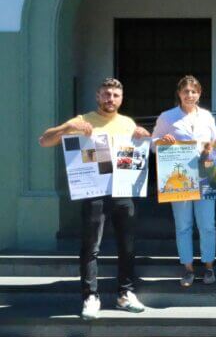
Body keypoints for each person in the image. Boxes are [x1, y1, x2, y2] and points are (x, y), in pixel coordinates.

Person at [38, 77, 149, 320]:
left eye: (115, 95)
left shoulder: (127, 123)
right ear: (98, 96)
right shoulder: (82, 120)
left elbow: (141, 154)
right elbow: (44, 140)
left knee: (127, 246)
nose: (111, 99)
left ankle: (125, 294)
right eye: (106, 94)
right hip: (94, 192)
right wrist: (68, 129)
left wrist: (143, 135)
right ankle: (90, 296)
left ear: (121, 98)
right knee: (91, 247)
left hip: (123, 191)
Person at [152, 75, 216, 287]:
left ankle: (209, 266)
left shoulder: (206, 116)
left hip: (204, 175)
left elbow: (215, 140)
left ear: (199, 94)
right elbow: (152, 144)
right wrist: (161, 141)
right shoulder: (168, 117)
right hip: (179, 178)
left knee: (207, 224)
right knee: (183, 225)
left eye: (194, 92)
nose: (190, 95)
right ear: (179, 93)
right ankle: (188, 268)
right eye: (186, 92)